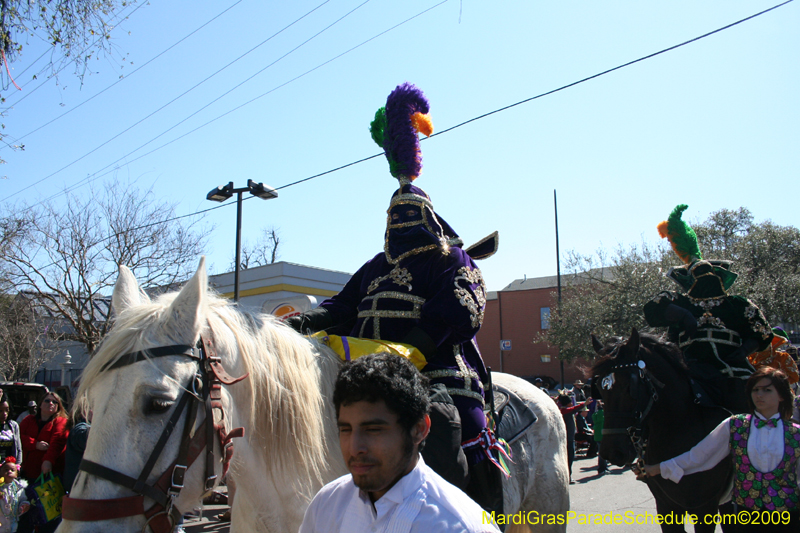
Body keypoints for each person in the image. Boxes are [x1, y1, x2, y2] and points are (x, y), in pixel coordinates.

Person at [287, 83, 502, 511]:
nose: (402, 220)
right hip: (363, 367)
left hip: (435, 368)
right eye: (395, 214)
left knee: (463, 428)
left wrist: (412, 350)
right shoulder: (374, 265)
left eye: (411, 213)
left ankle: (486, 513)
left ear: (430, 216)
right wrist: (302, 323)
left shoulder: (450, 259)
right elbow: (341, 306)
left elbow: (457, 311)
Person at [299, 353, 500, 533]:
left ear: (419, 429)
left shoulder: (462, 526)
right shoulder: (326, 505)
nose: (354, 448)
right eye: (345, 430)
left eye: (373, 430)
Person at [643, 204, 772, 414]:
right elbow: (653, 308)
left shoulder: (737, 303)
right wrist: (683, 314)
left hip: (731, 366)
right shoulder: (680, 301)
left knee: (756, 395)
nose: (705, 278)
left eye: (709, 273)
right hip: (688, 365)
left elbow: (762, 331)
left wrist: (742, 351)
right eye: (699, 274)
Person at [643, 367, 800, 531]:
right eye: (755, 390)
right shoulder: (735, 425)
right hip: (746, 516)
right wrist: (658, 468)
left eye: (767, 390)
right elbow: (700, 455)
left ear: (781, 395)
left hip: (786, 516)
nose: (759, 395)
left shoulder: (795, 434)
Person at [19, 393, 68, 481]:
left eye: (54, 402)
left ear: (58, 406)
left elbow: (58, 442)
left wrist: (48, 460)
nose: (51, 403)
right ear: (40, 404)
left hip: (50, 473)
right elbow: (18, 437)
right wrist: (35, 444)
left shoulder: (61, 421)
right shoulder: (28, 419)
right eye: (47, 401)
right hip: (27, 471)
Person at [557, 393, 591, 484]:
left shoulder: (563, 411)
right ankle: (568, 476)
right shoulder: (565, 411)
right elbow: (574, 408)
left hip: (568, 438)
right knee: (569, 459)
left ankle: (567, 476)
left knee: (568, 458)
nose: (572, 403)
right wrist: (584, 404)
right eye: (570, 402)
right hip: (568, 439)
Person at [0, 457, 29, 533]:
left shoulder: (18, 488)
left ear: (16, 474)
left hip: (12, 524)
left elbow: (22, 499)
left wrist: (24, 505)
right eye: (6, 470)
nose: (9, 471)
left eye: (12, 470)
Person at [0, 400, 22, 465]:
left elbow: (18, 448)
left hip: (10, 465)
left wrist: (17, 465)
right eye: (0, 411)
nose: (4, 413)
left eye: (7, 410)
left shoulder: (14, 425)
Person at [592, 401, 608, 475]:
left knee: (600, 452)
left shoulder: (595, 415)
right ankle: (603, 468)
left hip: (597, 435)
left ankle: (602, 467)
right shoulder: (605, 415)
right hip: (604, 435)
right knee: (604, 453)